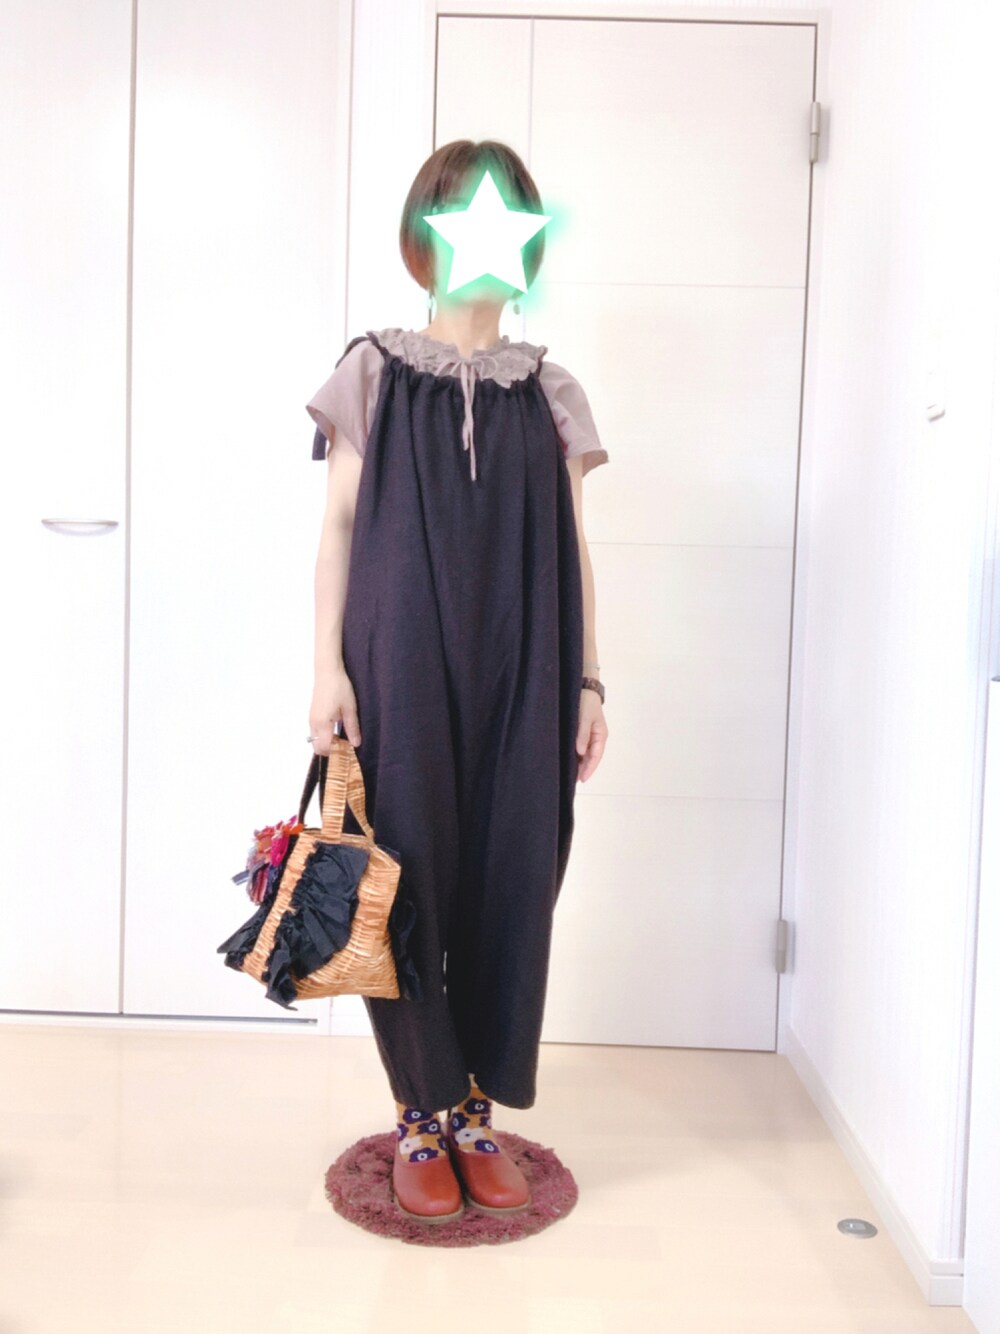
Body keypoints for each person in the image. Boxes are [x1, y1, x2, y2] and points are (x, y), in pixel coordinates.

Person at [304, 140, 609, 1225]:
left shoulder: (552, 389)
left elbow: (574, 545)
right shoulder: (373, 373)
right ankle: (418, 1112)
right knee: (407, 877)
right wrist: (326, 667)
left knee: (515, 877)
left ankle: (476, 1105)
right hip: (399, 663)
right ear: (421, 239)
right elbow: (340, 528)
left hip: (529, 664)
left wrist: (589, 681)